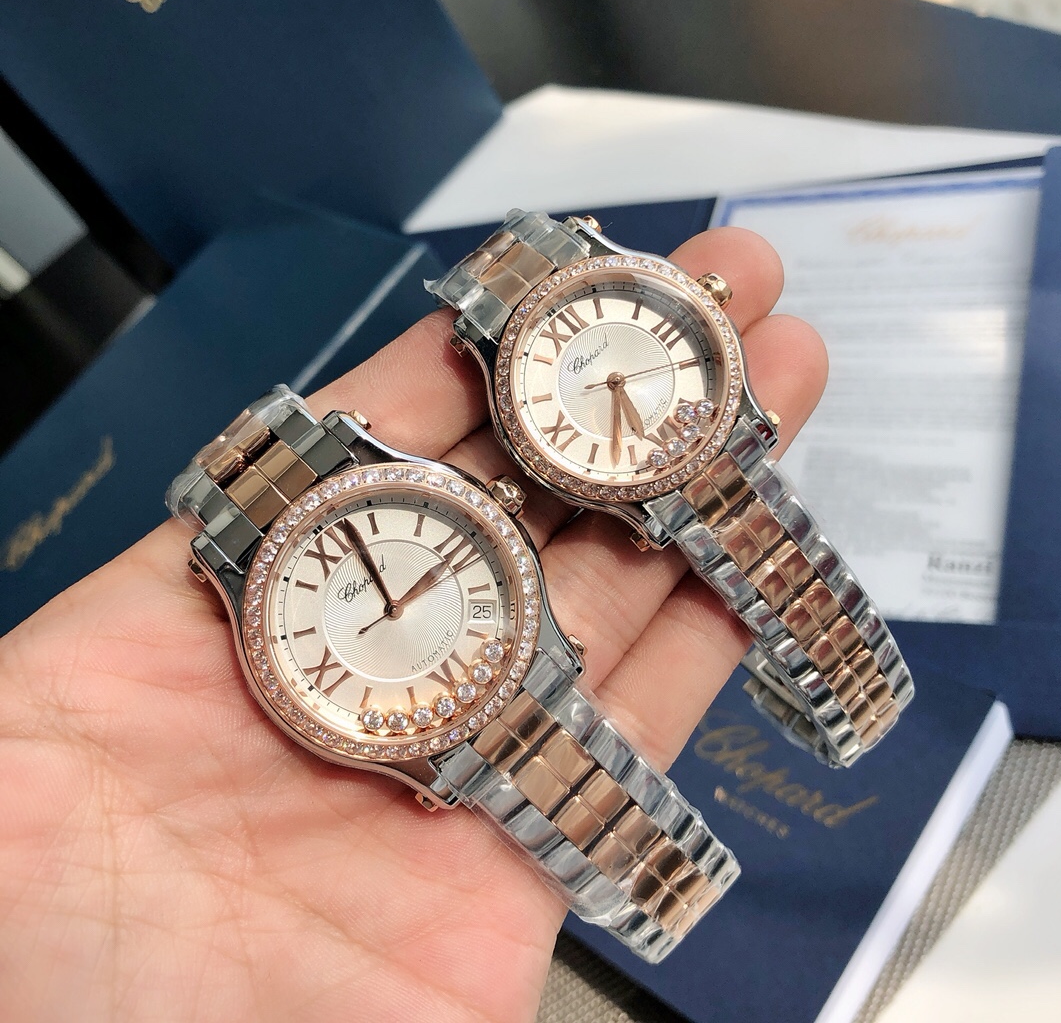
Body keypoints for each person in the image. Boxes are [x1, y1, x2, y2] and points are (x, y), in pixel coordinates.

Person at [0, 227, 825, 1022]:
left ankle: (677, 887)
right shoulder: (245, 579)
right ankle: (669, 896)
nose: (393, 607)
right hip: (438, 719)